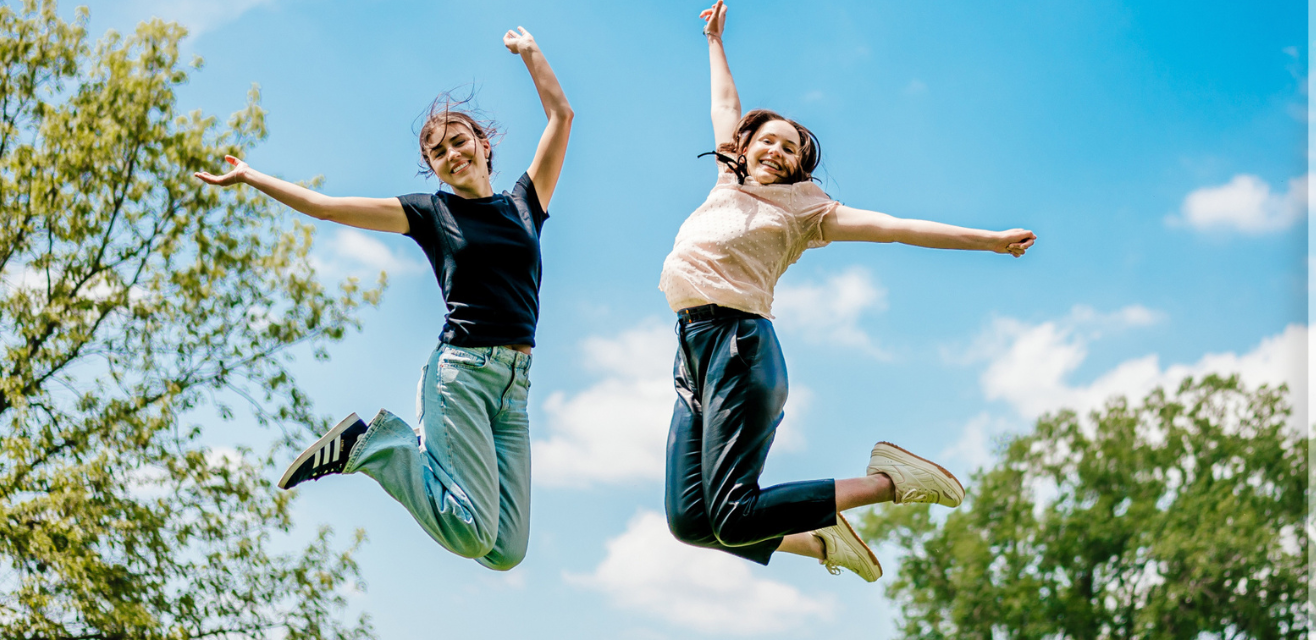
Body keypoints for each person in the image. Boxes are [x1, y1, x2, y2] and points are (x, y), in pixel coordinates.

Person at [659, 1, 1038, 582]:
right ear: (746, 144)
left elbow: (897, 228)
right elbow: (724, 105)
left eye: (791, 149)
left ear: (799, 168)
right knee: (690, 522)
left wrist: (988, 240)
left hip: (741, 347)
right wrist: (714, 42)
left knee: (732, 516)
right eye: (768, 141)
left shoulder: (809, 211)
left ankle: (891, 481)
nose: (776, 151)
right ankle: (820, 540)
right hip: (691, 354)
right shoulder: (727, 177)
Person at [193, 26, 571, 571]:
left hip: (515, 388)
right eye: (437, 152)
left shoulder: (525, 203)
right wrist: (252, 177)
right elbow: (325, 207)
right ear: (433, 168)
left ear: (484, 145)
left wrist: (531, 54)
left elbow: (561, 117)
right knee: (470, 535)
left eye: (458, 141)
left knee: (505, 550)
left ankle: (386, 449)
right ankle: (371, 445)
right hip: (462, 373)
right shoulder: (430, 213)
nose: (451, 154)